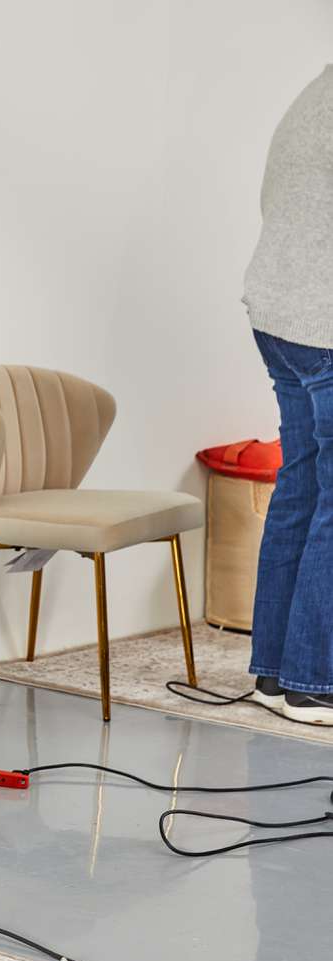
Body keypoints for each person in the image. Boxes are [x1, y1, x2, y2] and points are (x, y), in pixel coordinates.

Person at [243, 65, 333, 726]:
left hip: (278, 313)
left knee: (302, 484)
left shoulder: (316, 92)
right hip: (322, 320)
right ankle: (313, 681)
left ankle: (274, 674)